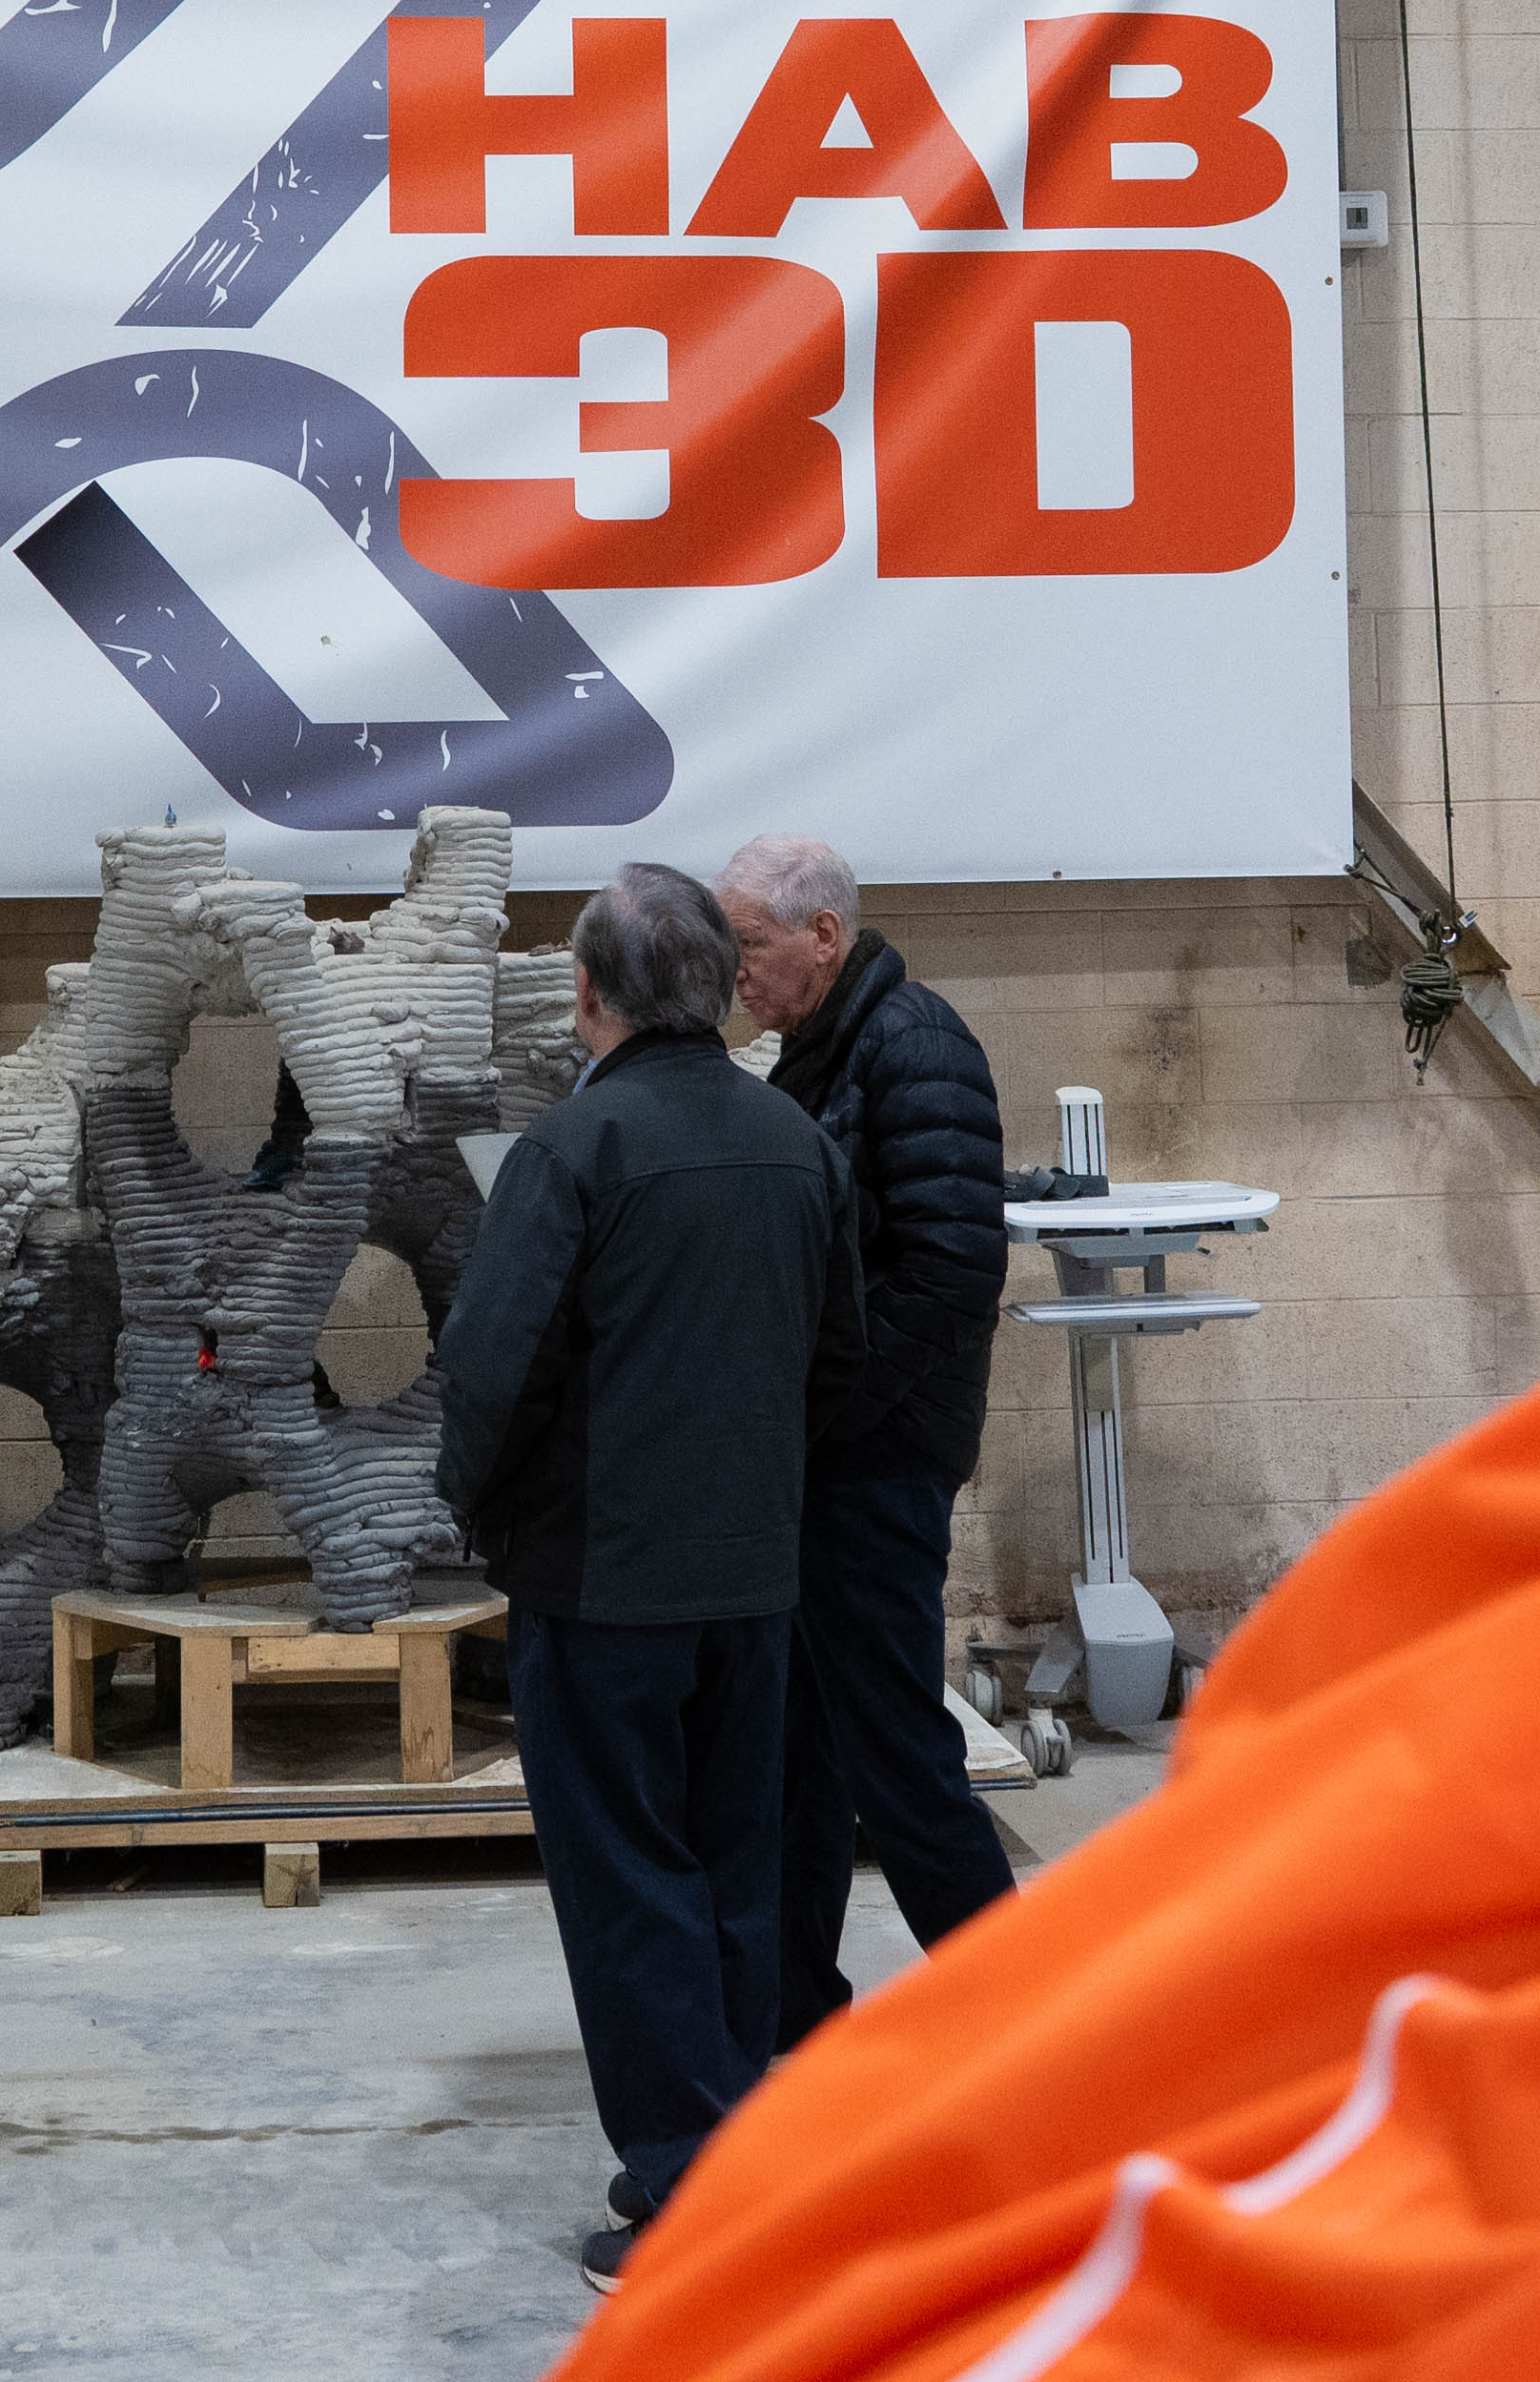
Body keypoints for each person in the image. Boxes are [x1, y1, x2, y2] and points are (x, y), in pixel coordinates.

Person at [437, 863, 861, 2294]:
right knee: (740, 1861)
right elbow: (837, 1355)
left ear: (587, 997)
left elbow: (491, 1373)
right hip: (757, 1579)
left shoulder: (573, 1153)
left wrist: (479, 1515)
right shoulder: (796, 1144)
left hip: (606, 1584)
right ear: (724, 988)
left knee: (629, 1883)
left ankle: (684, 2198)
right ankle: (746, 2162)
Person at [718, 834, 1022, 2050]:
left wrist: (825, 1408)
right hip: (827, 1461)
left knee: (894, 1756)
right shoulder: (813, 1054)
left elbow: (952, 1274)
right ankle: (795, 2027)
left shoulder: (915, 1042)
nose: (734, 969)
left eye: (749, 943)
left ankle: (1024, 2025)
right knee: (798, 1762)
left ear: (823, 936)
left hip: (877, 1464)